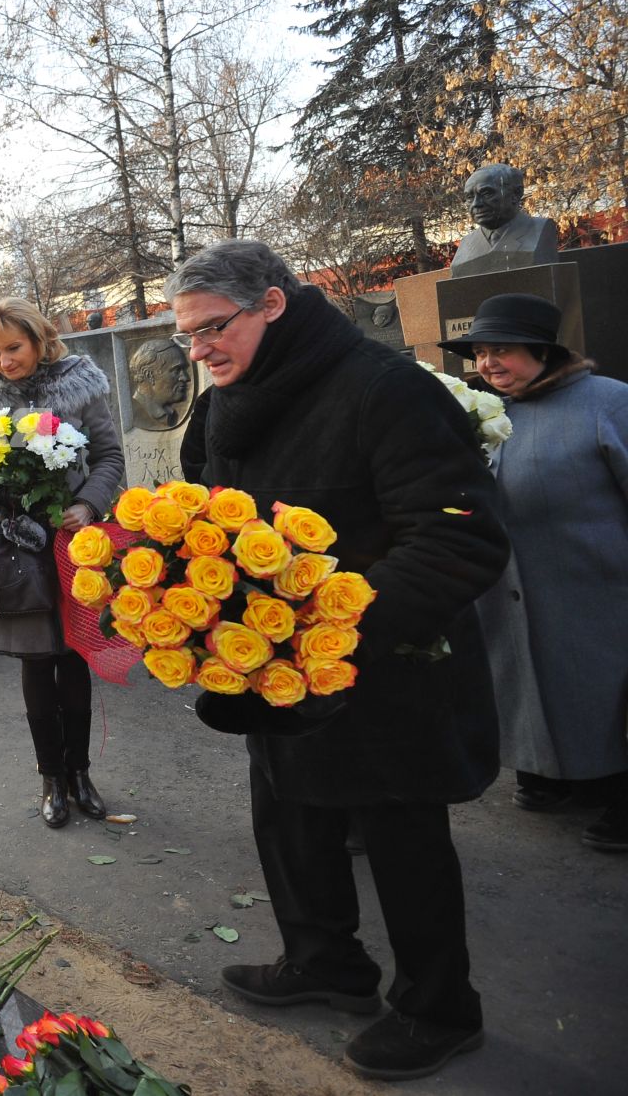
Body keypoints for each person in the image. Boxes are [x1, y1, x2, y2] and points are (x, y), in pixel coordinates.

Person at [171, 241, 509, 1083]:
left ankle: (439, 1007)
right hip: (273, 669)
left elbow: (457, 533)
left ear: (274, 305)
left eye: (214, 328)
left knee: (401, 836)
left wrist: (328, 623)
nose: (201, 350)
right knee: (289, 815)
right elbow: (202, 505)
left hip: (383, 665)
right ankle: (325, 961)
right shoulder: (225, 402)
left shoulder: (382, 387)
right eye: (189, 337)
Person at [440, 294, 628, 852]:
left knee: (597, 690)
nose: (488, 363)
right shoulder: (485, 412)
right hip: (507, 586)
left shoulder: (608, 403)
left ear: (543, 352)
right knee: (524, 679)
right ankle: (548, 773)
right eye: (479, 352)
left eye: (503, 350)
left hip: (595, 586)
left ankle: (618, 792)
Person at [0, 298, 124, 827]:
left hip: (75, 544)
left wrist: (87, 504)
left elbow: (110, 455)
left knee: (74, 660)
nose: (4, 361)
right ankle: (51, 777)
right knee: (35, 661)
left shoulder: (80, 381)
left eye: (14, 347)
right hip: (14, 548)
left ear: (40, 338)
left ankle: (80, 774)